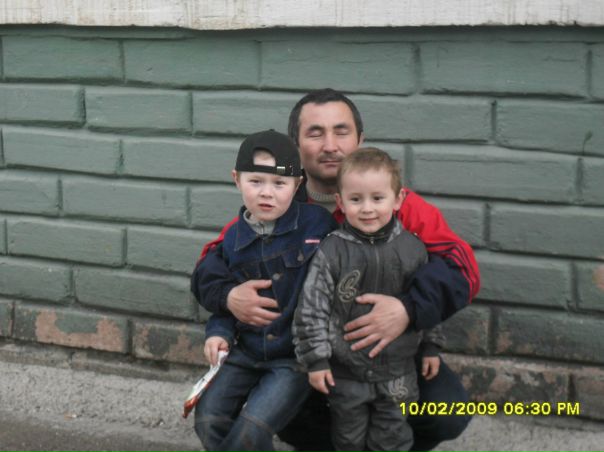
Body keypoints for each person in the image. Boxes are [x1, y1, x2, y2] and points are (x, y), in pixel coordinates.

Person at [191, 88, 480, 452]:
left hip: (387, 355)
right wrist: (228, 296)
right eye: (315, 134)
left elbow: (462, 268)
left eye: (341, 132)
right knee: (282, 409)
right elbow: (211, 263)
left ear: (360, 139)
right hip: (300, 358)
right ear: (295, 146)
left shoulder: (393, 203)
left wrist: (407, 309)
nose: (330, 145)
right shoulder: (276, 201)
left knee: (447, 411)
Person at [293, 148, 445, 452]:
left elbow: (428, 301)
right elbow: (312, 308)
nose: (367, 209)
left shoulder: (413, 250)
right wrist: (316, 360)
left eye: (377, 198)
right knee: (348, 438)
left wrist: (431, 345)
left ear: (398, 199)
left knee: (393, 436)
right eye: (356, 199)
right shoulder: (331, 251)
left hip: (399, 372)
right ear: (340, 202)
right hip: (345, 372)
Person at [194, 129, 336, 452]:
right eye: (255, 181)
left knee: (252, 430)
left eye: (279, 183)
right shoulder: (232, 240)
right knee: (208, 418)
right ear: (236, 179)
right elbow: (224, 299)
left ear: (297, 184)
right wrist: (218, 333)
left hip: (294, 358)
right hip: (245, 351)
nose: (266, 193)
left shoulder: (318, 225)